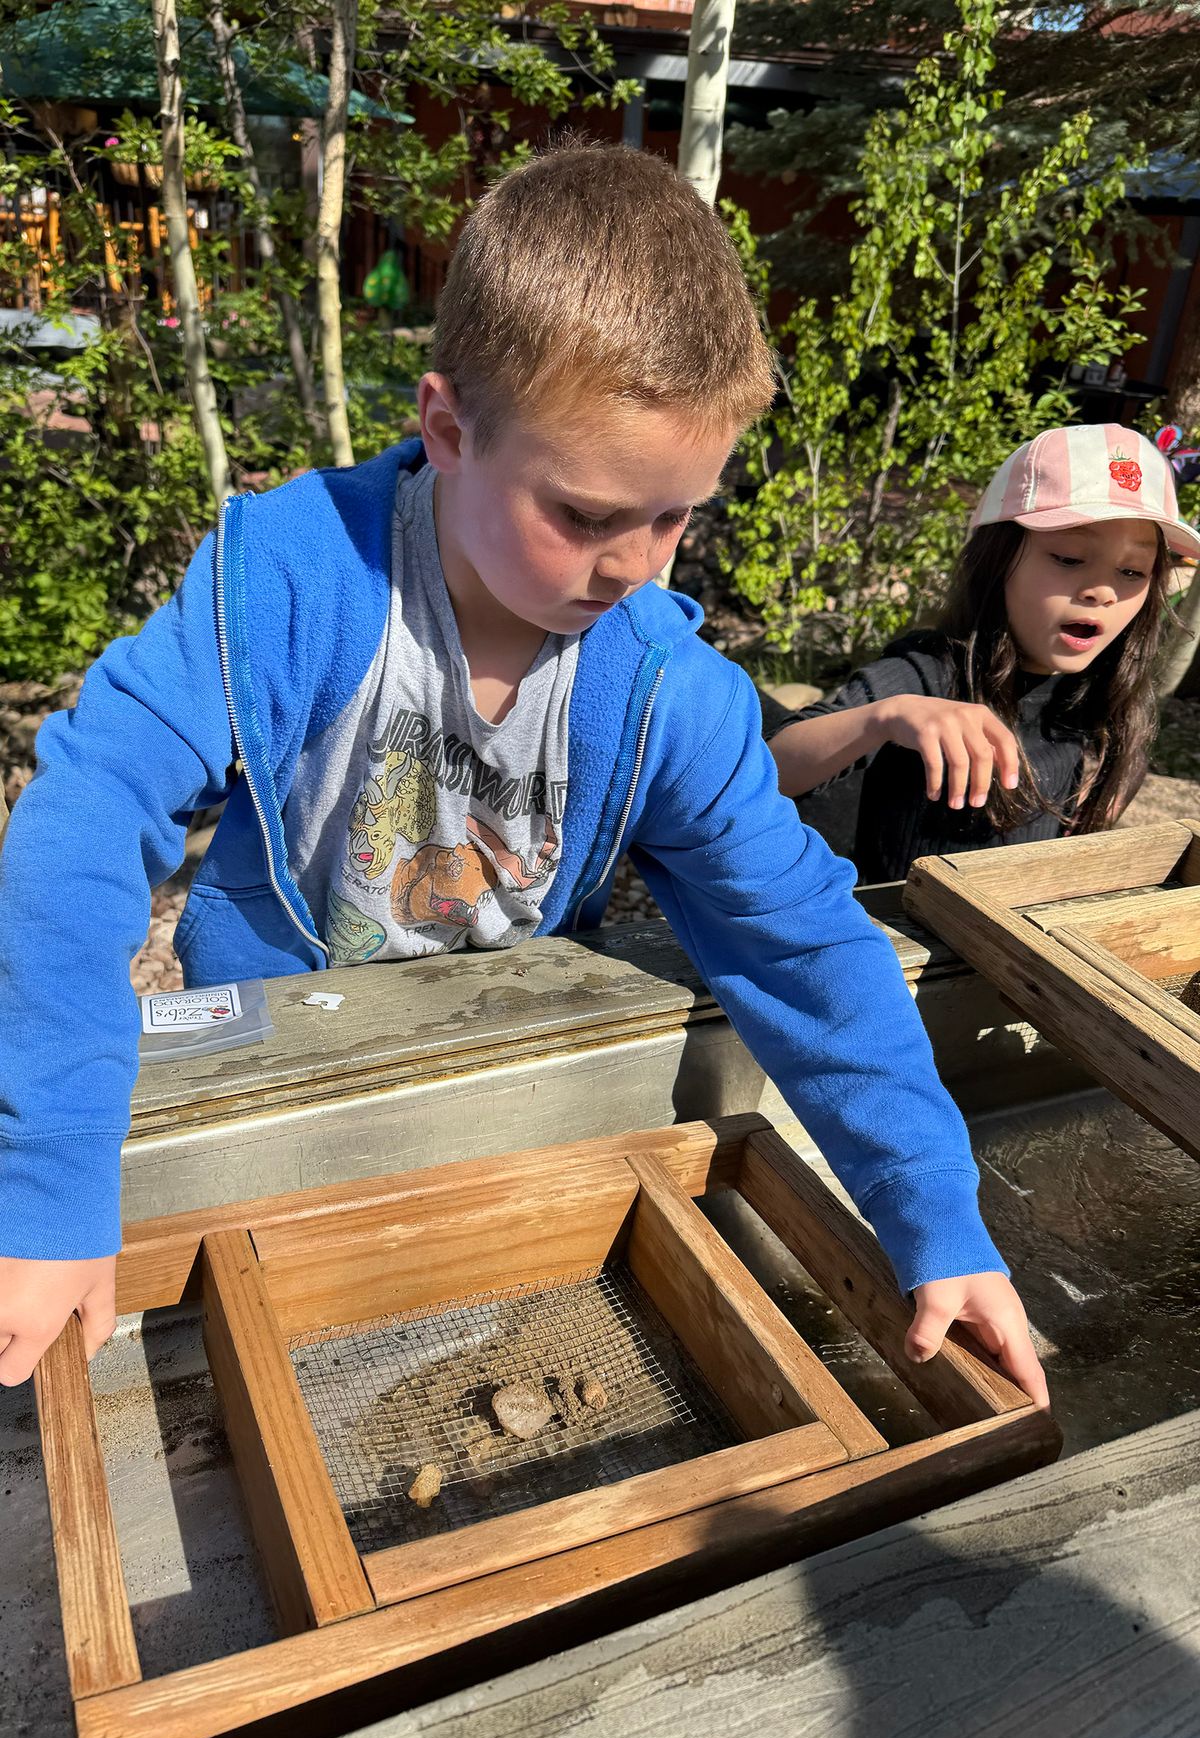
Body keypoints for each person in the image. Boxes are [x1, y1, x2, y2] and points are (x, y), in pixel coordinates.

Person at [0, 143, 1047, 1407]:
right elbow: (82, 819)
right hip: (271, 1080)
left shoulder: (667, 692)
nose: (636, 565)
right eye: (587, 515)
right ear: (448, 428)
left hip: (495, 1086)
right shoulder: (287, 580)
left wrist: (935, 1215)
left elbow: (803, 942)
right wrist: (50, 1181)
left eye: (675, 515)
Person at [763, 425, 1200, 884]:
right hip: (902, 923)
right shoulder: (929, 672)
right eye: (1070, 558)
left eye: (1132, 571)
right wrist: (886, 717)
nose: (1103, 591)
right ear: (997, 557)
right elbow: (771, 769)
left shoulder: (1104, 697)